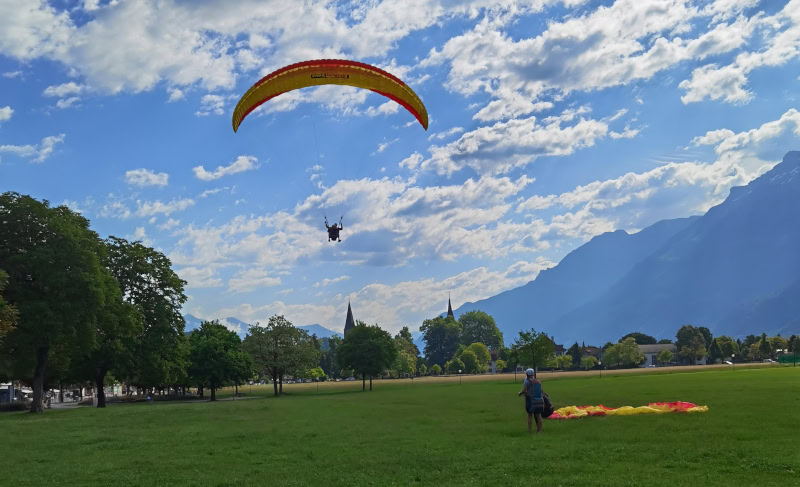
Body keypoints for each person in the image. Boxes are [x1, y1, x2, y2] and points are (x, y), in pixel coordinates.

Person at [518, 368, 544, 433]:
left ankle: (529, 430)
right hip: (540, 401)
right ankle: (540, 430)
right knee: (538, 415)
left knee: (530, 415)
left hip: (531, 401)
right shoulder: (538, 381)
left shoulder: (527, 381)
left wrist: (520, 393)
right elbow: (541, 391)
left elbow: (524, 391)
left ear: (527, 374)